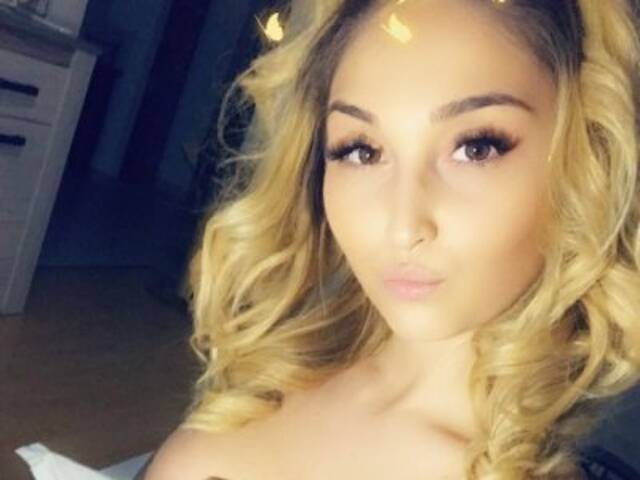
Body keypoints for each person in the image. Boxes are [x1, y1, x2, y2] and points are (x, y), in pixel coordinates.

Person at [144, 0, 640, 478]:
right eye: (361, 151)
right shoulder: (272, 380)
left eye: (476, 147)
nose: (403, 226)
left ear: (585, 158)